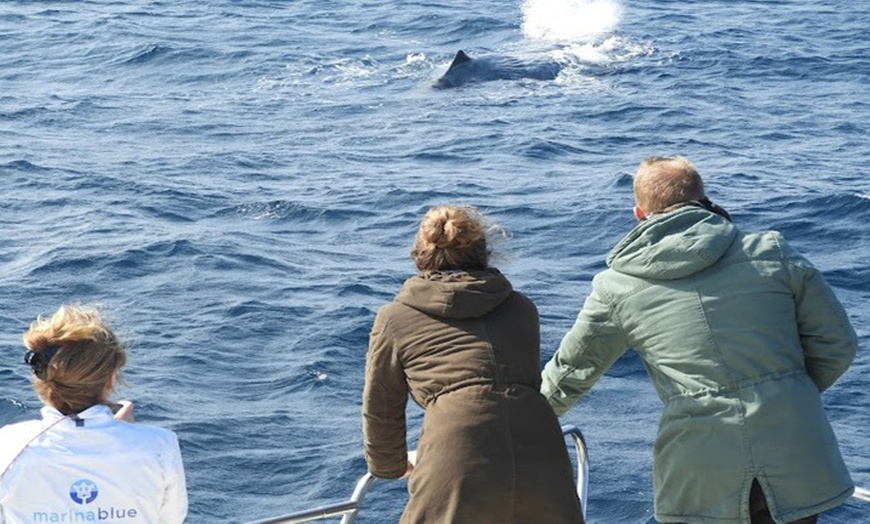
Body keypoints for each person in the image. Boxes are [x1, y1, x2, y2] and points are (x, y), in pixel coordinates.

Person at [541, 155, 858, 524]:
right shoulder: (772, 251)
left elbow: (569, 375)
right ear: (703, 199)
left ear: (640, 214)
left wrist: (512, 423)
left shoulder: (616, 287)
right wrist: (787, 392)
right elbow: (838, 344)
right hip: (795, 448)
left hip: (702, 466)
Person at [363, 205, 584, 523]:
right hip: (541, 448)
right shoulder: (522, 308)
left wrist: (389, 466)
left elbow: (381, 408)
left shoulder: (394, 319)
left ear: (420, 257)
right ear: (485, 254)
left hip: (457, 448)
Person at [0, 304, 188, 523]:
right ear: (110, 379)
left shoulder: (8, 444)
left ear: (41, 380)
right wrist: (126, 433)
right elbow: (171, 518)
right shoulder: (160, 444)